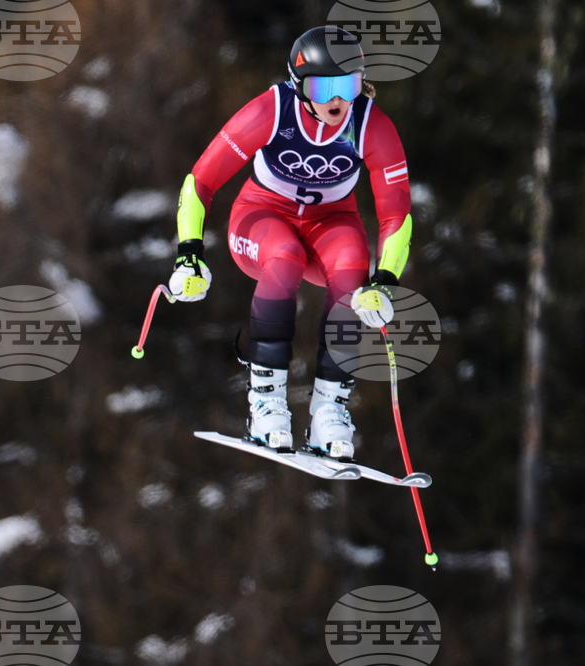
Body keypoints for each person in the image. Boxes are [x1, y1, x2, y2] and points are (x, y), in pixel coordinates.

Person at [167, 26, 413, 461]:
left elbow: (397, 215)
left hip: (330, 222)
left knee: (353, 264)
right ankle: (265, 402)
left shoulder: (370, 124)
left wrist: (385, 282)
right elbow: (200, 181)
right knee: (284, 257)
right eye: (324, 87)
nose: (338, 101)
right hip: (262, 218)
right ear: (300, 86)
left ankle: (329, 411)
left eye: (349, 85)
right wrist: (189, 254)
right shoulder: (272, 109)